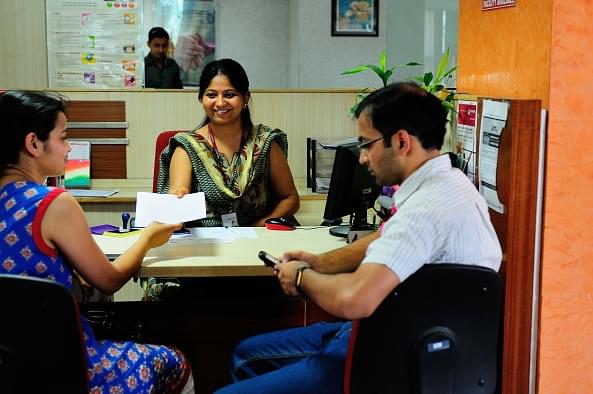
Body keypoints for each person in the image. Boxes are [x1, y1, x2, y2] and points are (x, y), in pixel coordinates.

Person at [214, 81, 503, 394]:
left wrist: (301, 278)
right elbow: (384, 236)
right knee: (246, 356)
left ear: (402, 141)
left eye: (367, 144)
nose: (363, 158)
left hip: (388, 353)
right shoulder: (447, 182)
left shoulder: (426, 211)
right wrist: (320, 263)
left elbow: (353, 298)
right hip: (403, 334)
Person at [0, 91, 195, 393]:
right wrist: (147, 238)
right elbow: (109, 281)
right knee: (176, 361)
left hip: (9, 369)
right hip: (65, 366)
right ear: (33, 144)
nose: (68, 149)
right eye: (63, 137)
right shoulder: (53, 203)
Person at [157, 58, 299, 227]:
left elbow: (290, 198)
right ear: (201, 98)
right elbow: (178, 192)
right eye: (211, 95)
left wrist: (261, 225)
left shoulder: (265, 142)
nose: (220, 102)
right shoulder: (187, 147)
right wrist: (180, 196)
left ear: (245, 98)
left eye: (230, 94)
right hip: (206, 244)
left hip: (258, 239)